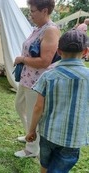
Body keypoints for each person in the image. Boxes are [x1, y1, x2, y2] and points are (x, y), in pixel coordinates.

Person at [25, 29, 89, 173]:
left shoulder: (48, 76)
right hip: (73, 139)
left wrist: (31, 130)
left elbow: (38, 107)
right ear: (85, 52)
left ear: (59, 52)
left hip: (49, 134)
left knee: (45, 164)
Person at [13, 0, 60, 158]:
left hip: (37, 82)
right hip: (27, 78)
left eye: (32, 11)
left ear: (44, 11)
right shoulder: (38, 29)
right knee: (19, 106)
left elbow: (45, 61)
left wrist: (22, 59)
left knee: (34, 113)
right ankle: (30, 135)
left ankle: (32, 149)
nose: (30, 14)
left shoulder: (51, 30)